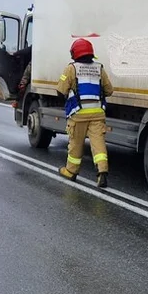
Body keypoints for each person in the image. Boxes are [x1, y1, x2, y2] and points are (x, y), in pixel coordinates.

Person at [56, 38, 114, 187]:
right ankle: (102, 172)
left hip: (78, 113)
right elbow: (109, 90)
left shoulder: (71, 68)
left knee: (76, 144)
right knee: (98, 144)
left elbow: (60, 90)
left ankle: (71, 171)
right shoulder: (99, 68)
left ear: (74, 53)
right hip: (98, 114)